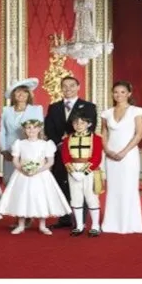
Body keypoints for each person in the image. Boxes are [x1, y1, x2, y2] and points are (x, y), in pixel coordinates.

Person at [0, 119, 71, 235]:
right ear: (24, 130)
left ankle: (42, 225)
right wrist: (22, 169)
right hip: (22, 174)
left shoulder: (45, 144)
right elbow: (15, 160)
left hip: (41, 174)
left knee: (40, 197)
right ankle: (21, 225)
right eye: (28, 128)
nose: (31, 130)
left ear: (39, 129)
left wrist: (38, 170)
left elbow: (50, 161)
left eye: (34, 127)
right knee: (22, 197)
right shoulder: (20, 143)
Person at [44, 76, 97, 229]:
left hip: (80, 152)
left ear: (78, 87)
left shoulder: (88, 106)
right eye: (65, 86)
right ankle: (64, 218)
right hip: (59, 151)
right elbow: (49, 128)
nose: (68, 89)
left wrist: (71, 141)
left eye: (72, 85)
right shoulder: (54, 107)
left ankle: (81, 220)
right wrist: (59, 143)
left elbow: (90, 128)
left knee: (81, 184)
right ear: (61, 88)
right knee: (61, 183)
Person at [100, 81, 142, 234]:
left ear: (129, 93)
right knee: (113, 188)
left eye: (122, 92)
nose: (118, 95)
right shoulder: (107, 113)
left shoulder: (137, 111)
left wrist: (124, 152)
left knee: (128, 187)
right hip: (111, 155)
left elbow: (139, 134)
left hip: (129, 155)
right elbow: (104, 133)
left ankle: (129, 223)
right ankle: (111, 223)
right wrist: (107, 150)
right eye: (115, 92)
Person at [61, 112, 104, 237]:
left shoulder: (96, 138)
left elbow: (96, 157)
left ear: (89, 124)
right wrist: (73, 171)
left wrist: (84, 172)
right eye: (76, 123)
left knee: (91, 197)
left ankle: (95, 225)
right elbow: (65, 156)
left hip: (90, 171)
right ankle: (79, 225)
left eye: (82, 123)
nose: (79, 125)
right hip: (73, 170)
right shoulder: (67, 139)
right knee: (75, 197)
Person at [0, 78, 44, 186]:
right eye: (18, 91)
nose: (21, 94)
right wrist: (4, 150)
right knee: (10, 180)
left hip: (30, 149)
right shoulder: (6, 110)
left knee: (28, 179)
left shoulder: (37, 109)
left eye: (25, 91)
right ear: (13, 95)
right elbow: (2, 131)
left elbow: (41, 130)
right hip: (10, 149)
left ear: (29, 95)